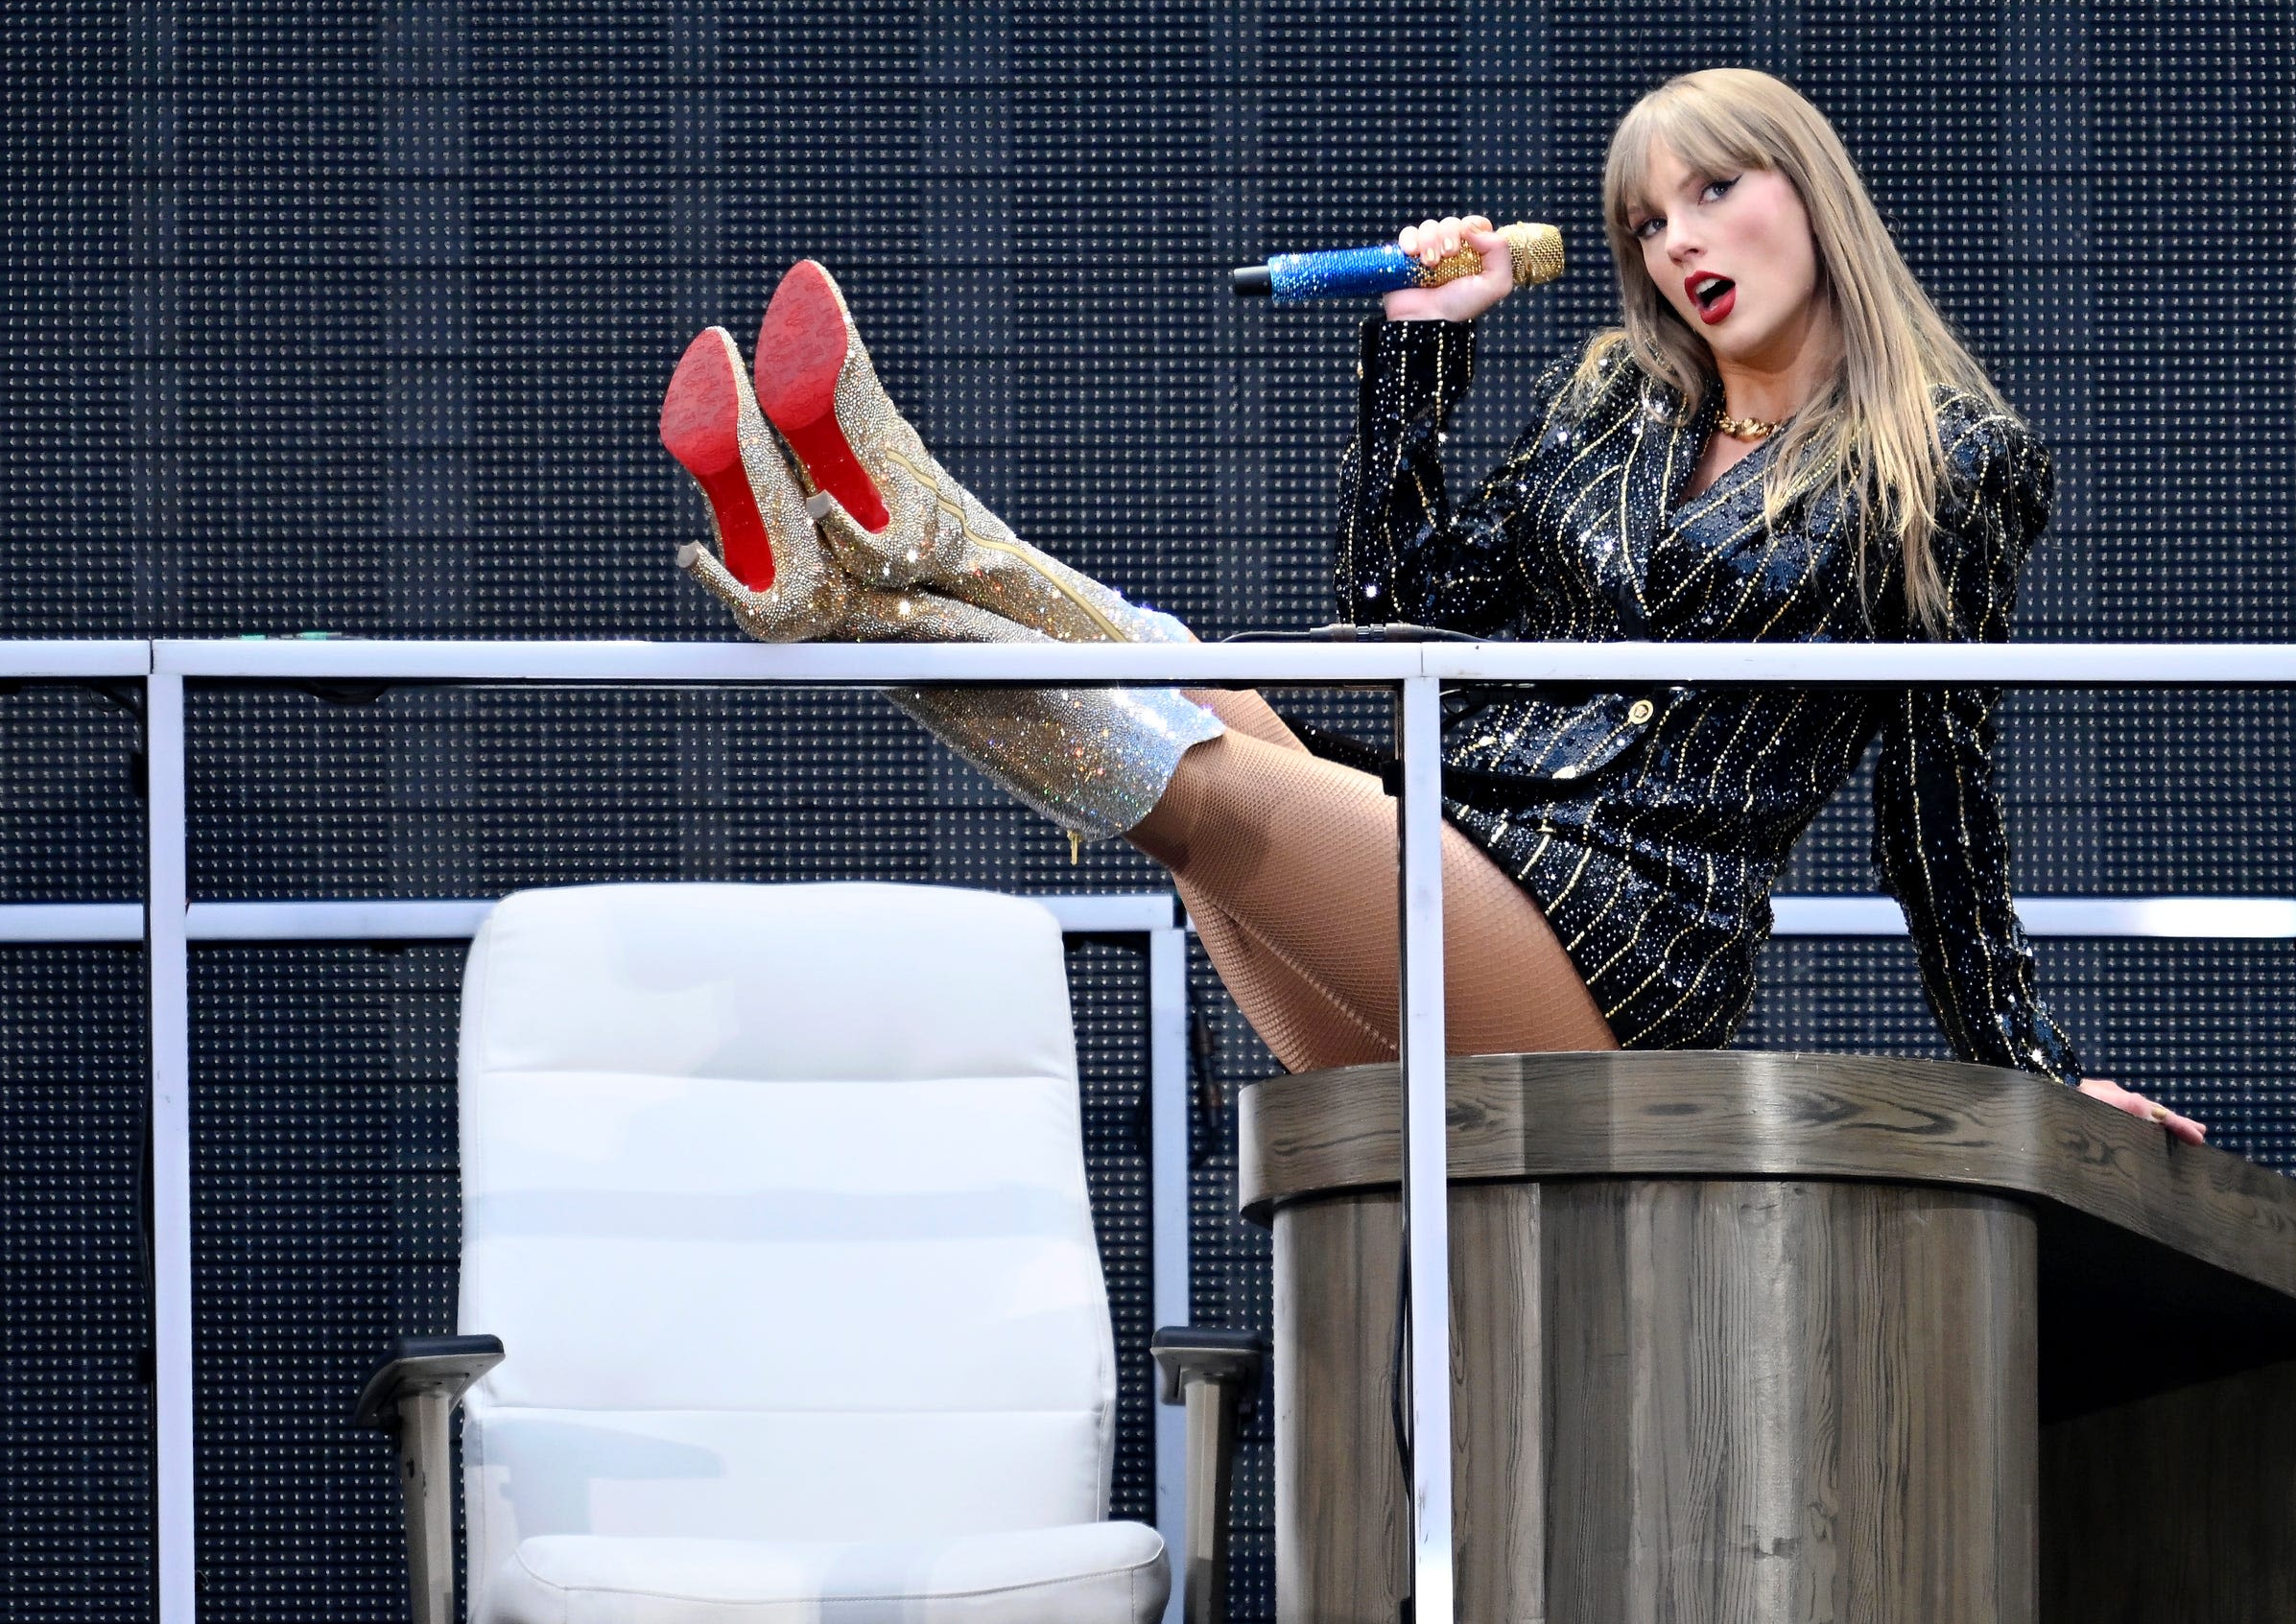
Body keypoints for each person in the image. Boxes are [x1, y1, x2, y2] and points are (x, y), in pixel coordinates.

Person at [658, 66, 2203, 1143]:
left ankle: (870, 590)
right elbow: (1402, 606)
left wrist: (2034, 1066)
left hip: (1627, 934)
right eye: (1651, 220)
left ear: (1812, 194)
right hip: (1460, 829)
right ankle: (884, 538)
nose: (1678, 242)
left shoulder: (1949, 463)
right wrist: (1419, 347)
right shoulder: (1614, 402)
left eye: (1714, 192)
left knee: (1189, 770)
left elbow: (1941, 807)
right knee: (1212, 690)